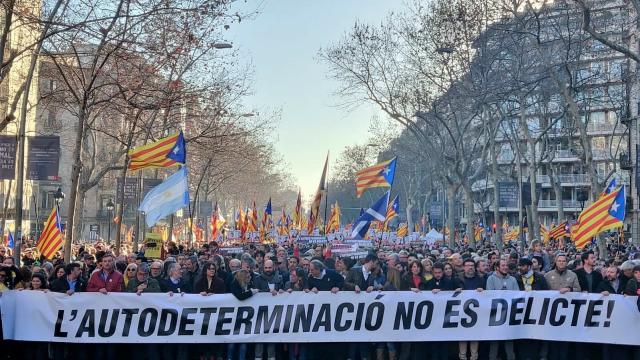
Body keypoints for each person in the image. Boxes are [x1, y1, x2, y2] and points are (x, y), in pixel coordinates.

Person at [544, 254, 581, 360]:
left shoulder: (573, 275)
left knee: (565, 341)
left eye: (564, 261)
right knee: (553, 341)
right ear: (555, 262)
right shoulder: (547, 275)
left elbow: (578, 289)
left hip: (568, 312)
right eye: (559, 260)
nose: (561, 262)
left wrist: (570, 289)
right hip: (552, 313)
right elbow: (543, 292)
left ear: (566, 262)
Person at [486, 258, 518, 360]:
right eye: (503, 265)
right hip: (495, 316)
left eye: (506, 266)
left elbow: (517, 295)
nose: (505, 267)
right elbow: (489, 295)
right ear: (497, 267)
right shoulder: (491, 279)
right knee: (494, 344)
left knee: (509, 343)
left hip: (509, 316)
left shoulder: (512, 279)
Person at [458, 258, 484, 360]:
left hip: (476, 313)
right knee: (462, 337)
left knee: (474, 337)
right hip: (461, 313)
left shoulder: (481, 279)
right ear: (464, 267)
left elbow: (488, 296)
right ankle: (462, 356)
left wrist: (483, 291)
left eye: (472, 266)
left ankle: (474, 357)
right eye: (468, 265)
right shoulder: (458, 279)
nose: (470, 267)